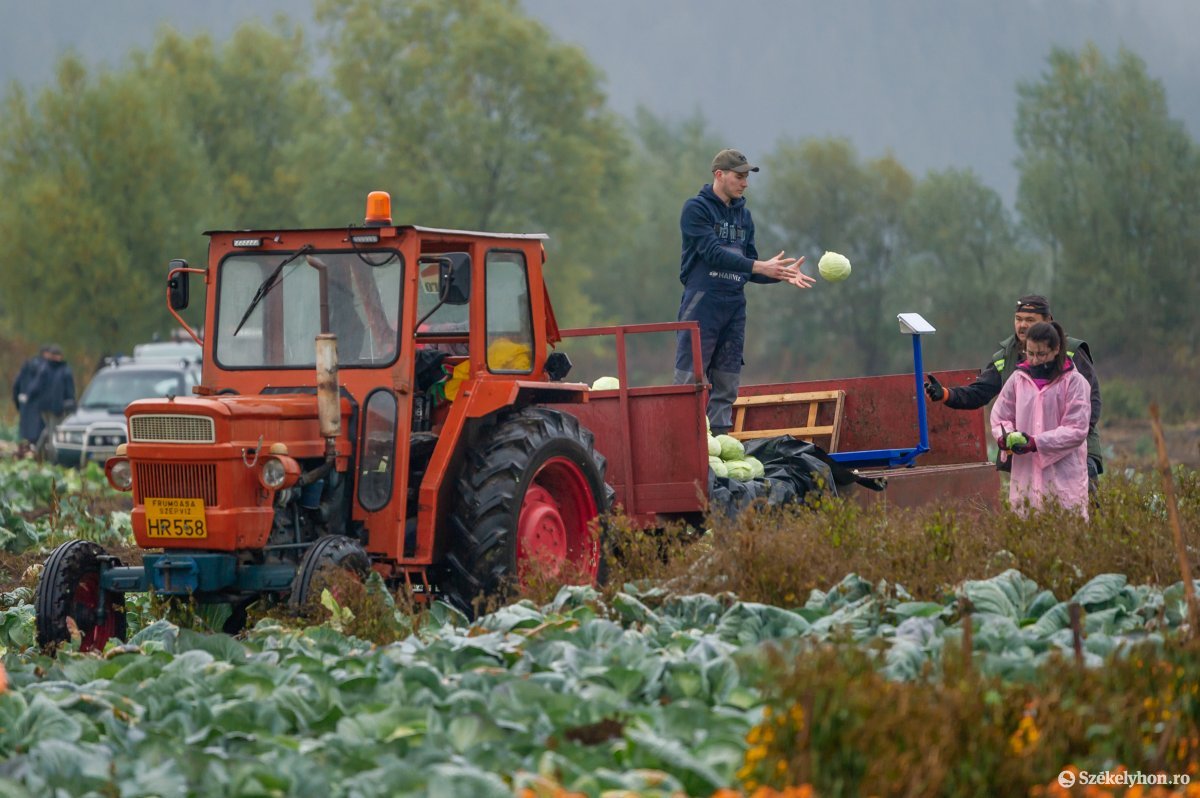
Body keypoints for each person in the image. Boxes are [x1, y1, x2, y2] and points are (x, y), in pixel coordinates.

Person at [673, 149, 815, 434]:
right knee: (690, 381)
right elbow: (713, 254)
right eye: (739, 176)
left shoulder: (744, 217)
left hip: (734, 307)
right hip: (701, 302)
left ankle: (720, 446)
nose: (745, 183)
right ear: (719, 175)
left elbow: (748, 268)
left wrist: (780, 274)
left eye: (747, 177)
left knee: (726, 383)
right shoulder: (696, 209)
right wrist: (762, 266)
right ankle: (684, 444)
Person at [924, 294, 1103, 492]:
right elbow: (980, 392)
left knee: (1079, 510)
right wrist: (946, 394)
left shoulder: (1071, 351)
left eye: (1030, 320)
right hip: (1027, 455)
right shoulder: (1007, 356)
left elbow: (1091, 403)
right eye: (1018, 319)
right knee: (1032, 514)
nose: (1023, 325)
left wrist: (1066, 442)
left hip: (1075, 454)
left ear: (1048, 322)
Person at [989, 321, 1091, 518]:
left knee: (1066, 530)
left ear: (1056, 350)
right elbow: (1000, 415)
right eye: (1030, 353)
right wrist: (1005, 436)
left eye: (1041, 354)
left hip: (1064, 475)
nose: (1034, 360)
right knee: (1026, 533)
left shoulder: (1074, 382)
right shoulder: (1018, 379)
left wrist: (1036, 442)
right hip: (1025, 475)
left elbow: (1076, 429)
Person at [10, 344, 76, 461]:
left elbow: (36, 385)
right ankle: (53, 459)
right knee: (53, 434)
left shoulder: (45, 368)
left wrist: (28, 397)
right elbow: (69, 390)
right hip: (55, 408)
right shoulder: (63, 370)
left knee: (48, 431)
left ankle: (37, 452)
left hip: (47, 407)